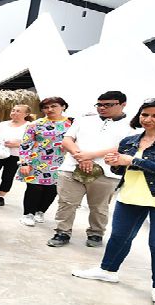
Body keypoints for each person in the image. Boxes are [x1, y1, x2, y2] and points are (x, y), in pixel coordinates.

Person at [73, 98, 155, 305]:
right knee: (119, 237)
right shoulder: (129, 140)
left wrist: (134, 161)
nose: (149, 120)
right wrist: (115, 163)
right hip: (131, 196)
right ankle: (108, 271)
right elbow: (122, 170)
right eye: (145, 114)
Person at [48, 91, 136, 247]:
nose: (102, 108)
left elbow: (124, 147)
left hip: (107, 172)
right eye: (99, 104)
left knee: (99, 207)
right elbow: (67, 139)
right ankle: (62, 232)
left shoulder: (133, 125)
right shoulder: (84, 119)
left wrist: (90, 156)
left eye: (108, 105)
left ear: (123, 104)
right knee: (66, 203)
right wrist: (78, 155)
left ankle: (96, 233)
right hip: (71, 168)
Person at [18, 97, 73, 226]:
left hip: (61, 163)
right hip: (37, 161)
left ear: (63, 107)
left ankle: (40, 211)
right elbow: (25, 144)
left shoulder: (72, 125)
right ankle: (28, 214)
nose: (49, 110)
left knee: (52, 190)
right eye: (46, 107)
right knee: (34, 189)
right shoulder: (36, 124)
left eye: (54, 106)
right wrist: (24, 162)